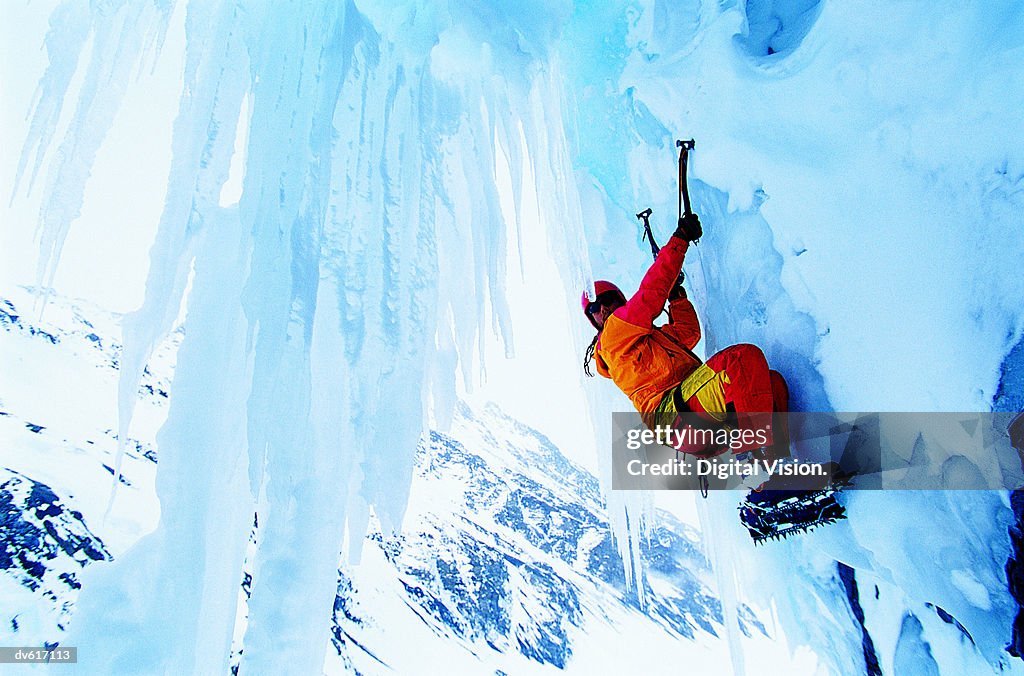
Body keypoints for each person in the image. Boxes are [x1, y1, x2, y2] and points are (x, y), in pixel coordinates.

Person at [582, 212, 789, 460]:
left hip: (692, 422)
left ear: (619, 300)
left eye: (606, 300)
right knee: (740, 359)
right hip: (676, 415)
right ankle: (759, 469)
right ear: (593, 320)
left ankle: (776, 475)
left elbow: (689, 333)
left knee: (771, 384)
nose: (602, 308)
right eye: (595, 308)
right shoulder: (612, 337)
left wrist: (676, 295)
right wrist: (679, 241)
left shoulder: (651, 340)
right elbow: (650, 296)